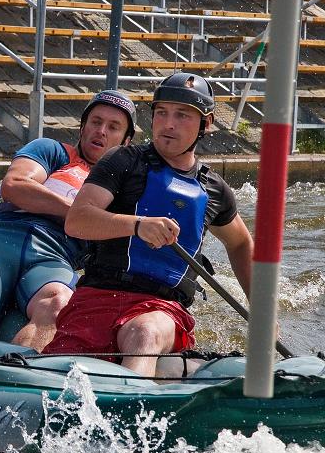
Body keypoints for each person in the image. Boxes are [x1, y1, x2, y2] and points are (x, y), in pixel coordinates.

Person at [43, 72, 254, 377]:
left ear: (206, 124)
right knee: (61, 366)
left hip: (161, 308)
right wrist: (137, 225)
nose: (169, 123)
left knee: (144, 332)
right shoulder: (123, 160)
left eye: (182, 115)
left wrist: (260, 308)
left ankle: (131, 411)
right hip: (98, 296)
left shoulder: (214, 190)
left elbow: (240, 243)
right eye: (161, 113)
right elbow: (77, 221)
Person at [0, 90, 137, 351]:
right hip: (1, 242)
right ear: (83, 126)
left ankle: (24, 378)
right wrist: (79, 214)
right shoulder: (52, 151)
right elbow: (15, 185)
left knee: (58, 305)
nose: (101, 131)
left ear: (126, 141)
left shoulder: (119, 194)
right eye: (96, 122)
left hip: (55, 258)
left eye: (113, 127)